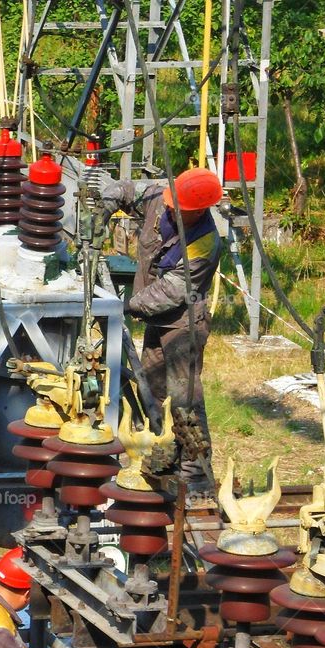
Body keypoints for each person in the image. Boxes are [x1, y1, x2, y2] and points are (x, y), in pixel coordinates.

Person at [102, 168, 224, 492]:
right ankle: (162, 460)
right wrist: (97, 214)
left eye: (178, 207)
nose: (170, 208)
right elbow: (122, 190)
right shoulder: (160, 197)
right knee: (152, 391)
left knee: (183, 399)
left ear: (197, 210)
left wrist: (127, 306)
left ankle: (196, 476)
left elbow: (171, 291)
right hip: (156, 321)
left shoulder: (205, 243)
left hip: (183, 325)